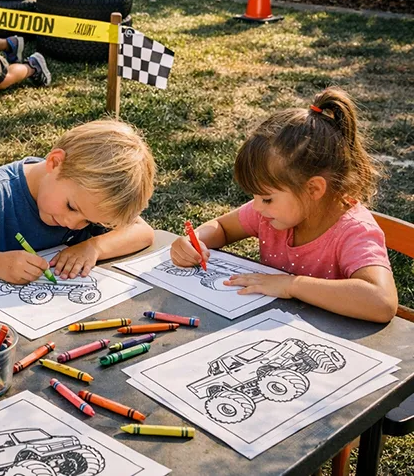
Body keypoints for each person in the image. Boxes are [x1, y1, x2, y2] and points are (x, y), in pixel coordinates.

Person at [170, 88, 397, 323]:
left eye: (266, 198)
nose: (256, 207)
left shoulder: (353, 231)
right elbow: (222, 227)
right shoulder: (270, 213)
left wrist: (291, 286)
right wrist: (195, 241)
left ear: (314, 189)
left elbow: (381, 301)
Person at [0, 120, 156, 283]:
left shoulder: (90, 198)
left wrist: (94, 247)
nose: (74, 224)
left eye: (87, 221)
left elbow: (142, 232)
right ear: (55, 163)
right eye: (71, 207)